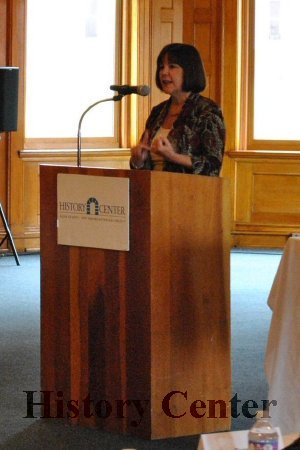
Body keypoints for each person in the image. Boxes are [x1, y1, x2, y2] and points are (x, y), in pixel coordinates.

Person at [130, 43, 225, 175]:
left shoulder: (207, 111)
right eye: (161, 67)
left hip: (190, 192)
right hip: (154, 190)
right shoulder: (158, 111)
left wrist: (172, 156)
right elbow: (145, 165)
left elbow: (213, 165)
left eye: (172, 66)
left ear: (189, 71)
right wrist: (138, 160)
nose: (164, 72)